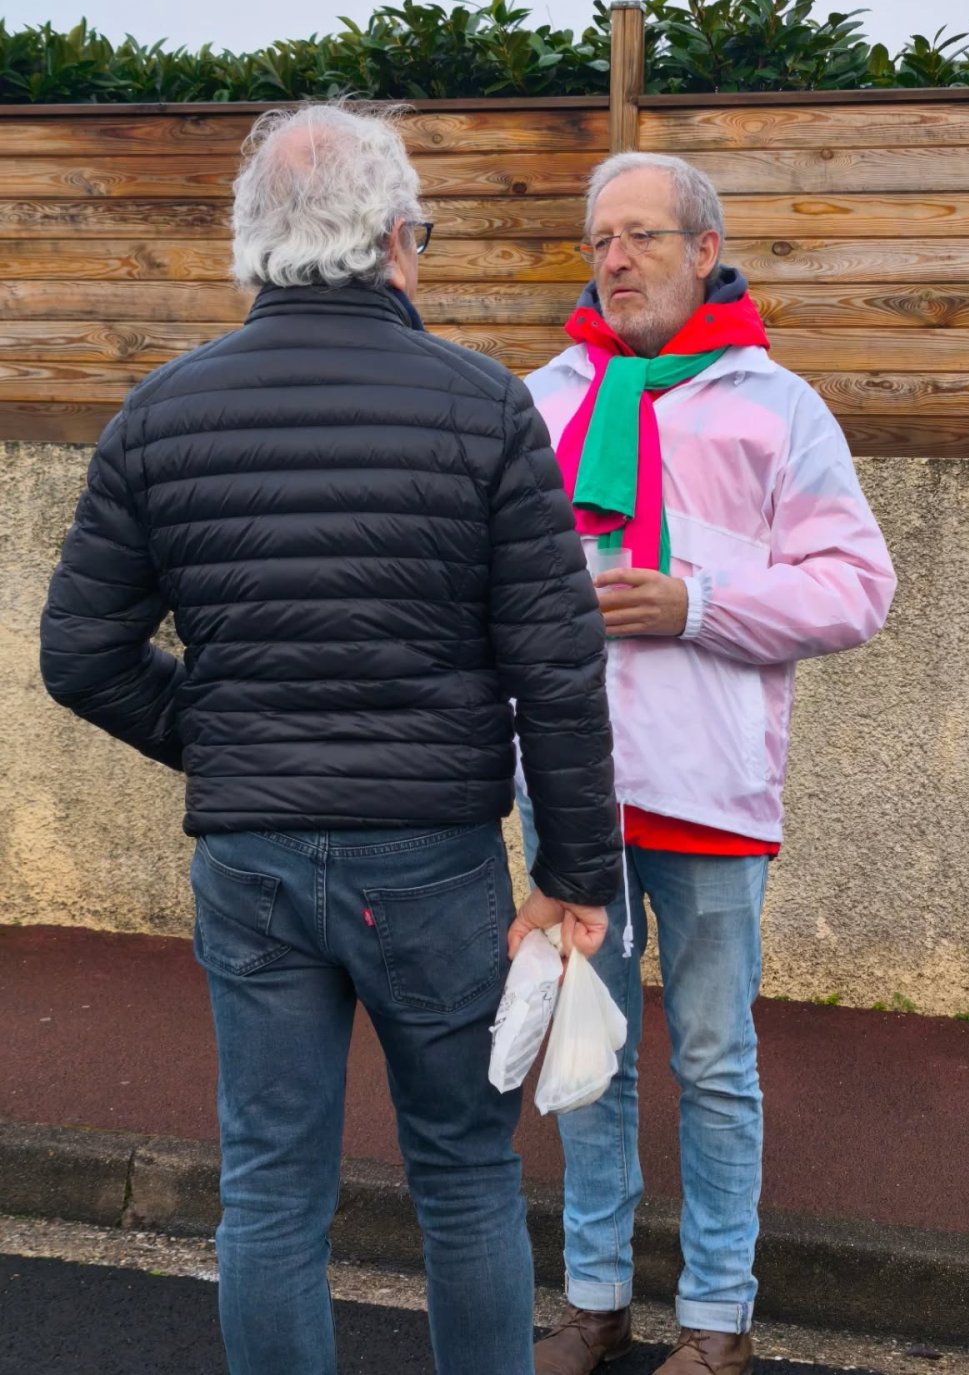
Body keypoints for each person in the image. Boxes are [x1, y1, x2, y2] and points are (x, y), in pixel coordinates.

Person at [39, 102, 619, 1375]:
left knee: (269, 1186)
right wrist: (578, 872)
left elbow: (79, 655)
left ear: (254, 244)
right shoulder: (484, 407)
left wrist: (226, 742)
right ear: (399, 238)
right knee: (464, 1174)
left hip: (251, 860)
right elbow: (558, 667)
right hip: (432, 860)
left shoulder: (160, 413)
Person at [516, 152, 896, 1375]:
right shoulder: (541, 399)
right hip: (571, 787)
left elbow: (859, 587)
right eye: (599, 241)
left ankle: (718, 1322)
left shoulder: (775, 406)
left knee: (717, 1062)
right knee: (589, 1056)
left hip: (713, 792)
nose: (615, 260)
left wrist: (699, 605)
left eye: (640, 236)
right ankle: (595, 1302)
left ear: (704, 249)